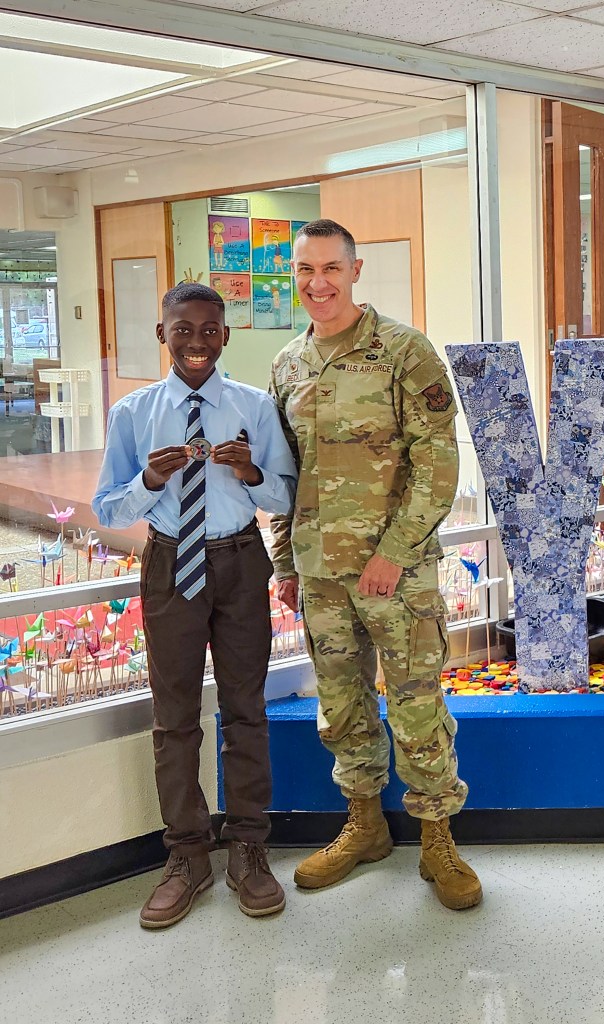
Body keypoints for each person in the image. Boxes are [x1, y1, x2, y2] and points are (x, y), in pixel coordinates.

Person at [269, 218, 481, 910]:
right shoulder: (287, 366)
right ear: (293, 276)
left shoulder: (404, 353)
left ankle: (437, 841)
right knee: (342, 707)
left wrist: (391, 555)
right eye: (305, 270)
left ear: (355, 272)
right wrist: (285, 563)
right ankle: (364, 827)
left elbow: (437, 466)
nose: (318, 283)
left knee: (416, 706)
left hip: (398, 575)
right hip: (321, 578)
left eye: (331, 268)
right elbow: (281, 475)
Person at [94, 282, 297, 928]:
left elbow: (289, 497)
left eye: (209, 330)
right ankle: (186, 856)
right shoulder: (133, 415)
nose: (197, 344)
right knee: (174, 716)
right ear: (163, 335)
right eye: (183, 331)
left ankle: (248, 849)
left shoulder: (255, 408)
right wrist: (149, 480)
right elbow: (107, 508)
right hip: (169, 561)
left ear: (226, 336)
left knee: (246, 709)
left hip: (238, 560)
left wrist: (252, 473)